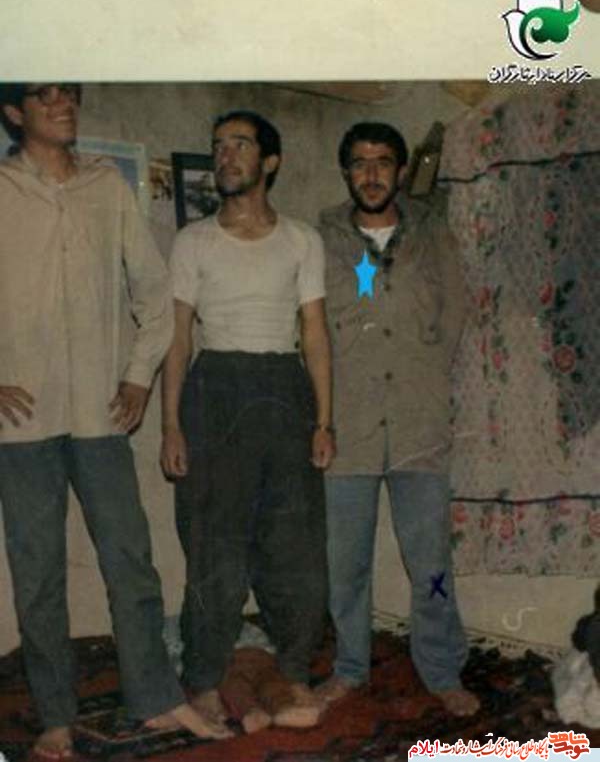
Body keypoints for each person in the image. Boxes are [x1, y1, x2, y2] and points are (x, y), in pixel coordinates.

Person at [0, 83, 231, 760]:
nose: (62, 104)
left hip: (100, 417)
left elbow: (156, 292)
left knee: (131, 561)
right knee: (38, 574)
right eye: (44, 96)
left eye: (68, 94)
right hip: (22, 425)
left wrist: (137, 374)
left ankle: (156, 700)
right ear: (13, 113)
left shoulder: (106, 187)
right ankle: (55, 718)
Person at [161, 110, 334, 730]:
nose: (225, 155)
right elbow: (178, 338)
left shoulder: (302, 240)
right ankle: (205, 679)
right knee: (215, 549)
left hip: (284, 390)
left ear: (270, 161)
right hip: (214, 391)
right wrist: (171, 425)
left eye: (240, 144)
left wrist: (324, 421)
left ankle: (293, 672)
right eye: (218, 146)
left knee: (295, 546)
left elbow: (314, 333)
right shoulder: (193, 242)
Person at [315, 122, 479, 717]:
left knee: (430, 563)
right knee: (346, 565)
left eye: (383, 161)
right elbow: (313, 326)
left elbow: (455, 313)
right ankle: (349, 668)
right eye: (359, 162)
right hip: (349, 429)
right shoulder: (324, 238)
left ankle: (442, 670)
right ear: (346, 172)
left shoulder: (431, 232)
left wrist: (422, 376)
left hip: (417, 427)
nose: (371, 173)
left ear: (400, 170)